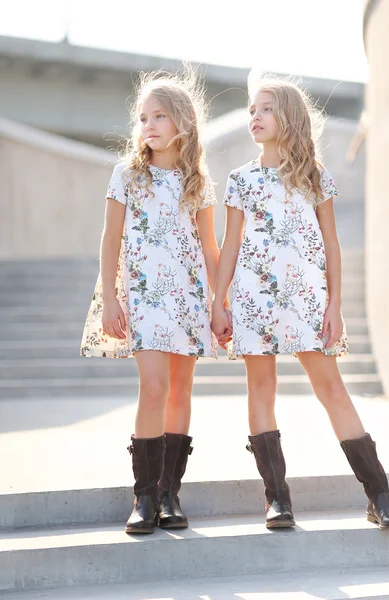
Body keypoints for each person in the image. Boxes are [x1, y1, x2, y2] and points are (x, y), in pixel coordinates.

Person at [211, 72, 389, 530]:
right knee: (262, 389)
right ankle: (277, 499)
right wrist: (219, 300)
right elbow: (230, 244)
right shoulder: (240, 180)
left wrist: (335, 305)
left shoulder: (316, 178)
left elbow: (331, 245)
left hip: (308, 302)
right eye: (251, 109)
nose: (255, 116)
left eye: (265, 108)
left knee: (331, 388)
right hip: (254, 301)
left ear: (289, 116)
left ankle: (379, 495)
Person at [81, 67, 225, 534]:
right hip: (143, 297)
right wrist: (109, 298)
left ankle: (169, 495)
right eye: (143, 117)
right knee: (155, 387)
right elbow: (110, 239)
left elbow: (210, 249)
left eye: (159, 115)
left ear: (182, 121)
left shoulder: (197, 181)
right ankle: (143, 496)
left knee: (181, 390)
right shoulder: (127, 175)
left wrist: (219, 302)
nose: (149, 126)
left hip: (188, 298)